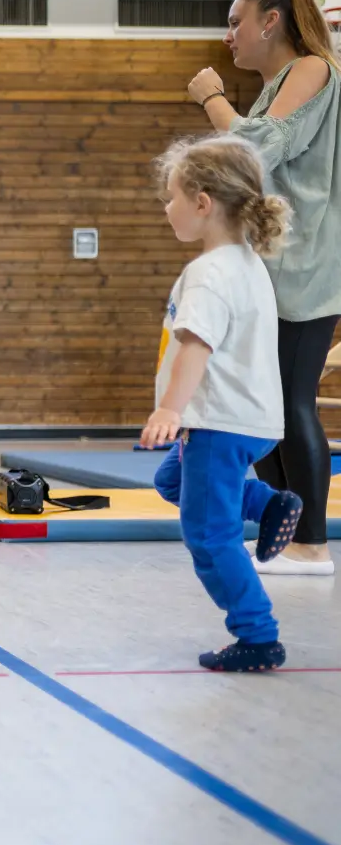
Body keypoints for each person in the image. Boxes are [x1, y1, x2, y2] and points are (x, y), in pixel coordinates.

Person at [187, 0, 341, 576]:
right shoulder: (279, 84)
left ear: (270, 22)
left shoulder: (312, 68)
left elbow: (253, 149)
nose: (229, 36)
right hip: (274, 267)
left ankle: (312, 543)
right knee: (263, 409)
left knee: (292, 405)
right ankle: (285, 530)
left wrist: (210, 97)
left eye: (235, 22)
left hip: (305, 270)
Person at [142, 135, 303, 672]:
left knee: (209, 535)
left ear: (203, 202)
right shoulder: (247, 261)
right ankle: (264, 503)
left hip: (217, 422)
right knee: (173, 482)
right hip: (253, 419)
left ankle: (257, 635)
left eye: (172, 197)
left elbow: (196, 346)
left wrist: (169, 409)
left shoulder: (209, 274)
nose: (167, 208)